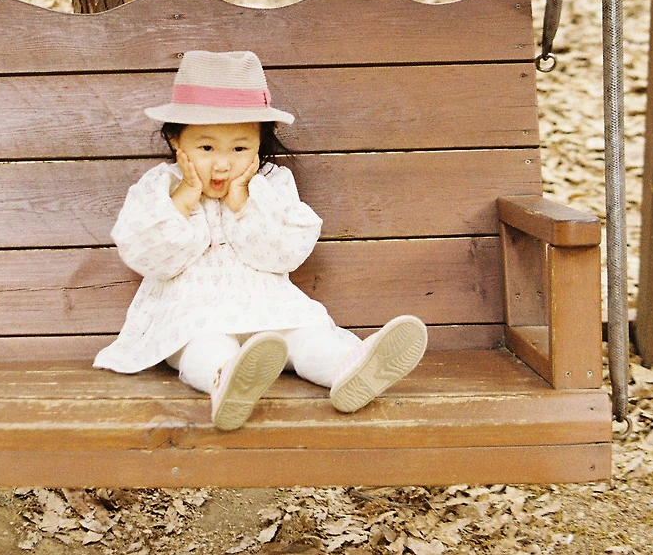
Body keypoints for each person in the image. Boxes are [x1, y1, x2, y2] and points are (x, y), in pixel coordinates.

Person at [93, 50, 427, 430]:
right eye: (206, 148)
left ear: (260, 143)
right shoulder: (160, 188)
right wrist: (185, 196)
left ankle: (348, 368)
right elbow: (150, 256)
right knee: (205, 347)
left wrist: (244, 205)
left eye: (239, 148)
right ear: (175, 140)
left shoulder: (270, 186)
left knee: (307, 336)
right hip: (193, 312)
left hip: (268, 306)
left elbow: (284, 253)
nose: (223, 164)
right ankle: (227, 379)